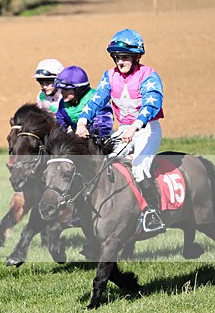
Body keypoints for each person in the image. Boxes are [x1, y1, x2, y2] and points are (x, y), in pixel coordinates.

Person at [77, 29, 165, 233]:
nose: (120, 62)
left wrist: (136, 126)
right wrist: (82, 122)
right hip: (125, 129)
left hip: (147, 129)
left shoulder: (149, 76)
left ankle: (153, 213)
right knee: (101, 165)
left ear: (136, 57)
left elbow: (152, 104)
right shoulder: (109, 76)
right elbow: (97, 100)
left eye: (124, 57)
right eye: (117, 57)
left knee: (139, 170)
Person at [54, 65, 113, 137]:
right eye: (61, 89)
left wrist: (87, 133)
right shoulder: (63, 102)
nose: (62, 92)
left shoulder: (97, 98)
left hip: (99, 138)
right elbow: (60, 123)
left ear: (79, 90)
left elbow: (103, 125)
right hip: (76, 138)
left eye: (66, 90)